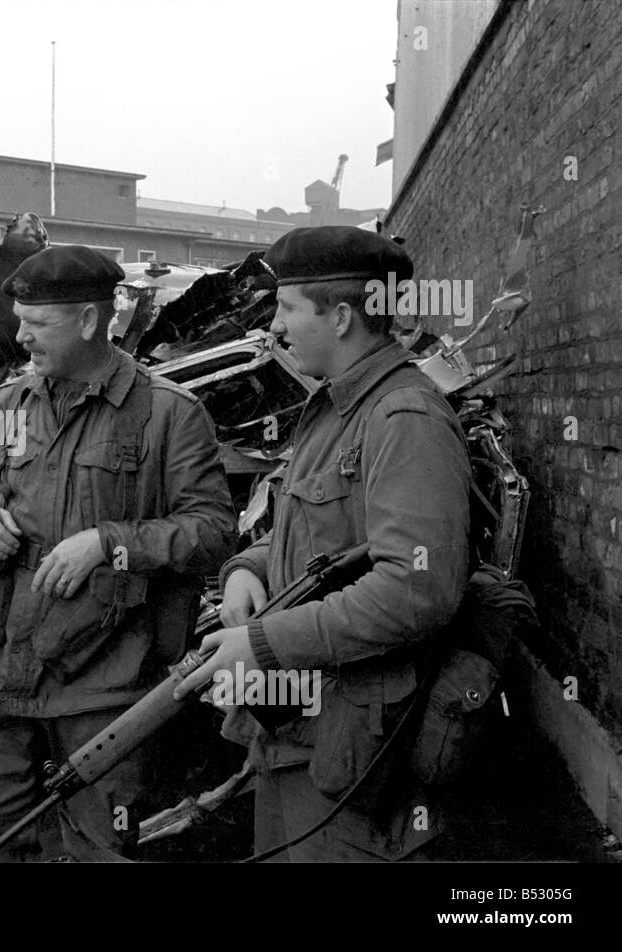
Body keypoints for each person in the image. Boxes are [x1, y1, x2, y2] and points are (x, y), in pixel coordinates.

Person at [174, 226, 471, 861]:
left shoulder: (403, 417)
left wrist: (262, 643)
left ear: (339, 318)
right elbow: (315, 533)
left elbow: (417, 588)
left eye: (285, 308)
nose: (274, 328)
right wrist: (247, 570)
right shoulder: (335, 410)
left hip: (352, 744)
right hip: (298, 728)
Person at [0, 245, 237, 862]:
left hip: (106, 685)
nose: (20, 337)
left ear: (88, 321)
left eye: (36, 323)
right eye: (19, 319)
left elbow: (212, 531)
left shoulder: (169, 415)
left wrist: (110, 545)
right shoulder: (5, 406)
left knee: (101, 850)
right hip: (2, 672)